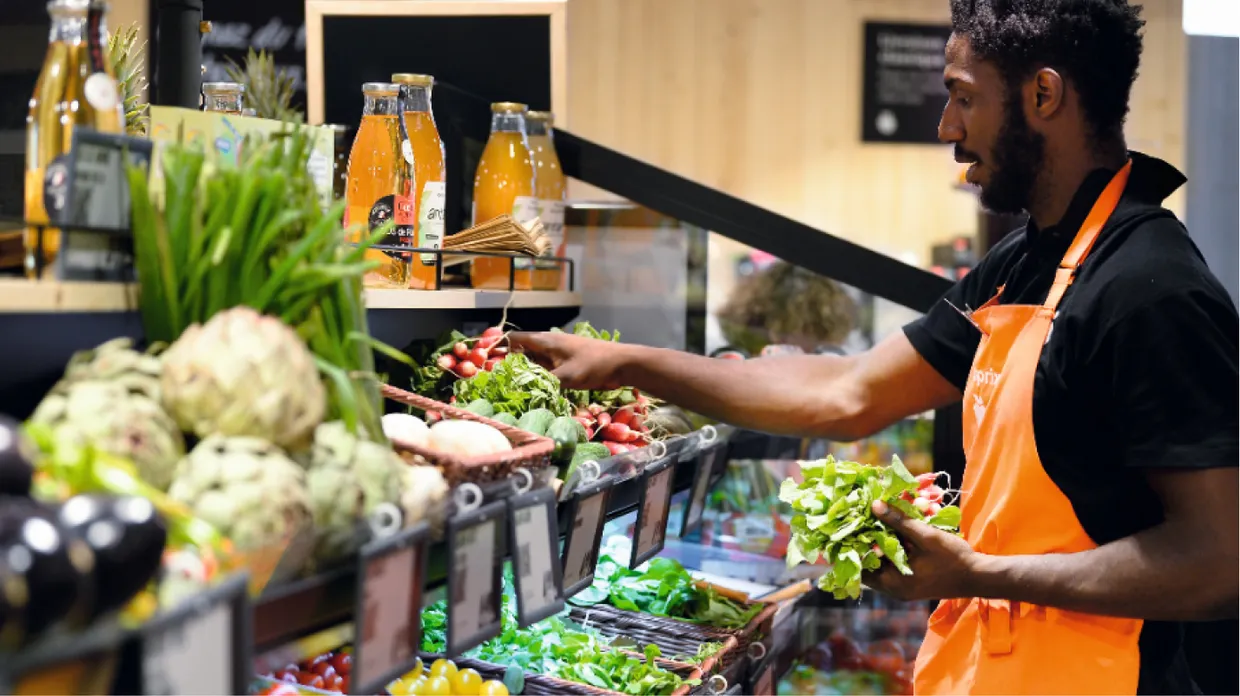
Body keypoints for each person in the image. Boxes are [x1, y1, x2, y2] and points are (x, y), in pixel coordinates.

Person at [510, 1, 1239, 693]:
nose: (948, 126)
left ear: (1044, 94)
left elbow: (1218, 563)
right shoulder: (1023, 261)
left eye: (963, 96)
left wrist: (980, 573)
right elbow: (850, 393)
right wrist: (630, 363)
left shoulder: (1151, 291)